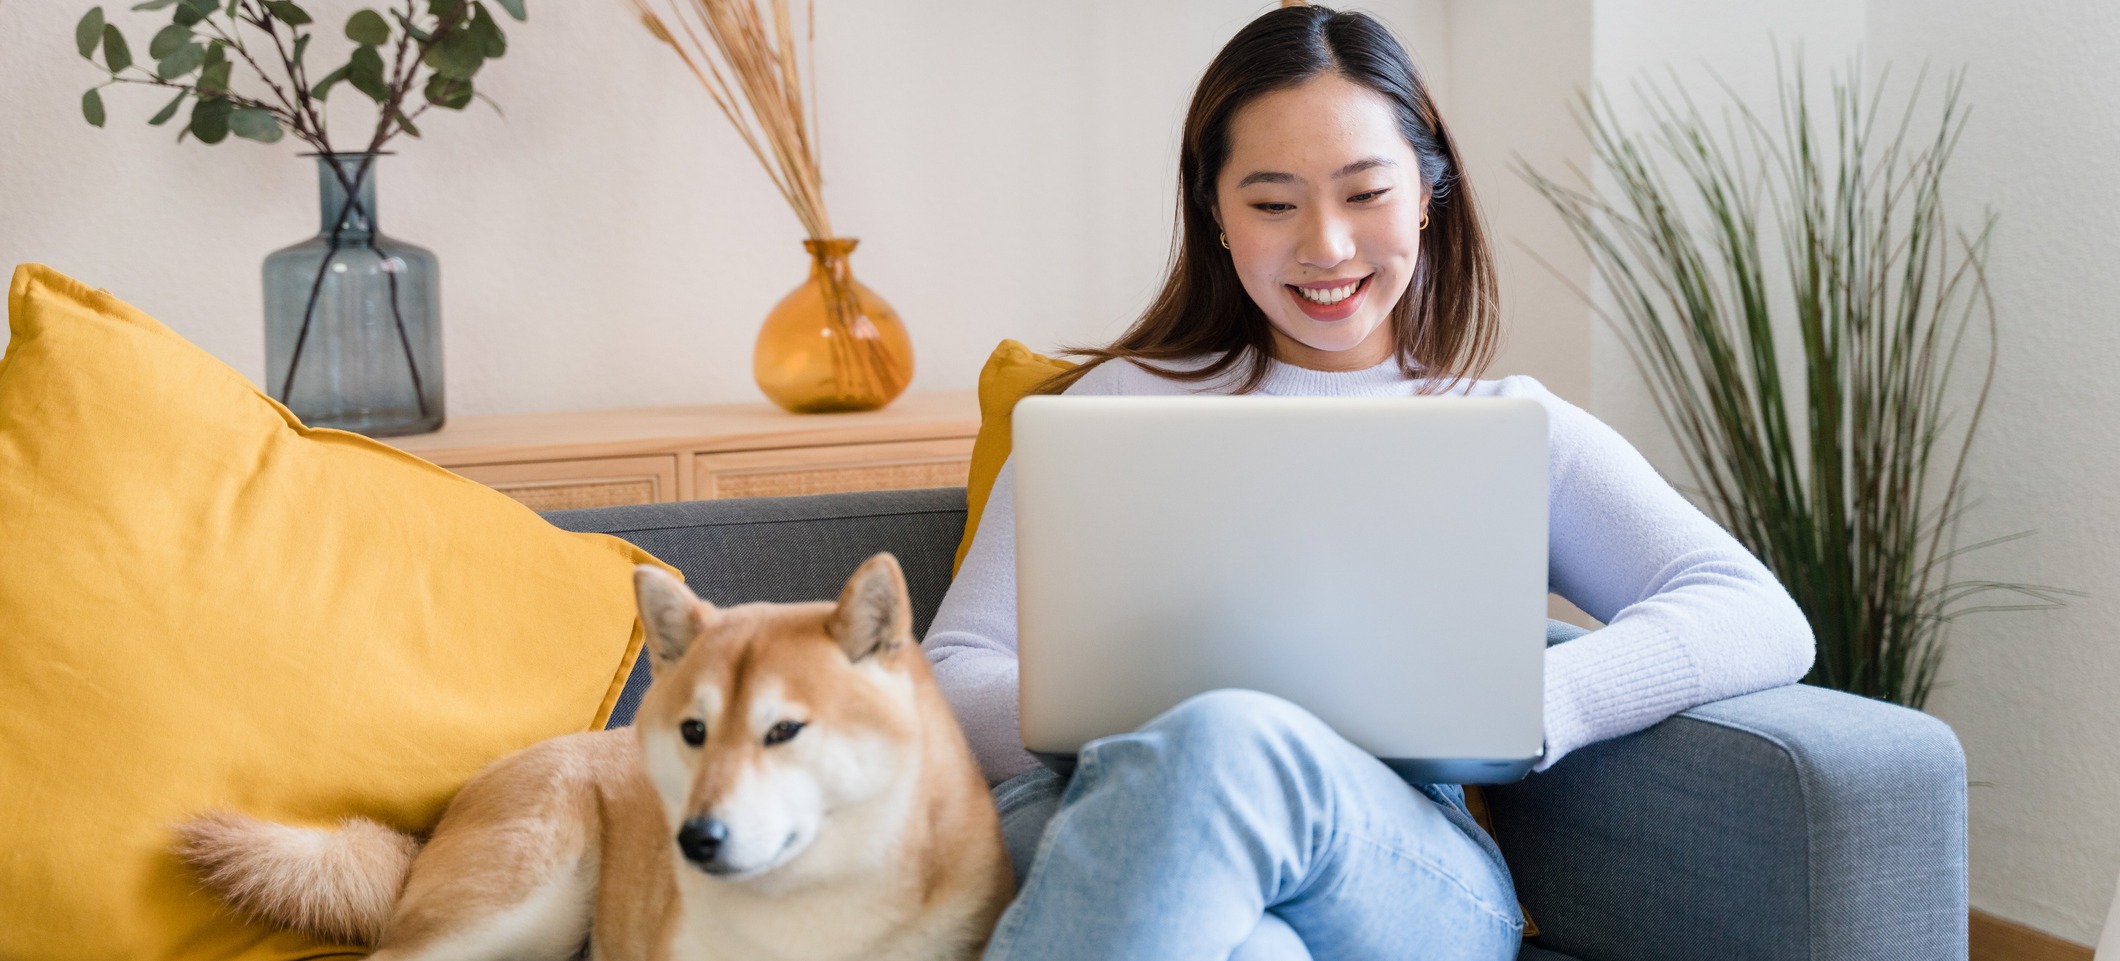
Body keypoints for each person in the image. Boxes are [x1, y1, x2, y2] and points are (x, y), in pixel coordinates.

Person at [922, 6, 1816, 960]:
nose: (1328, 247)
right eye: (1272, 203)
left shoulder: (1508, 425)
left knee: (1229, 745)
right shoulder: (1108, 405)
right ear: (1215, 215)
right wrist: (1164, 738)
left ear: (1429, 195)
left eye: (1365, 194)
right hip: (1095, 816)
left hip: (1391, 859)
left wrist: (1537, 702)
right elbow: (950, 671)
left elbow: (1755, 611)